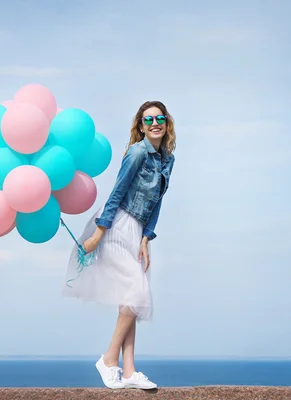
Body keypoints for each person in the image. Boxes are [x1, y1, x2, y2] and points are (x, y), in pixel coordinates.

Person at [62, 100, 176, 390]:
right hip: (116, 225)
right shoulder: (137, 152)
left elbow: (157, 202)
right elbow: (117, 192)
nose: (154, 123)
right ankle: (109, 360)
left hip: (137, 232)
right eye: (148, 120)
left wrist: (147, 238)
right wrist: (100, 233)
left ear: (166, 123)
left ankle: (129, 371)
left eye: (159, 118)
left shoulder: (168, 159)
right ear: (140, 126)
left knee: (130, 298)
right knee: (137, 293)